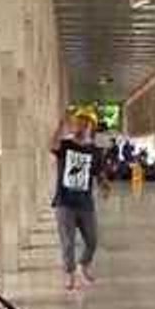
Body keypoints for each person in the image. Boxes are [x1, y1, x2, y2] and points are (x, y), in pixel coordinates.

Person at [49, 106, 110, 291]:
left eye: (85, 123)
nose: (81, 126)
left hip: (85, 203)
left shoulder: (95, 151)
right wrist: (60, 126)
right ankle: (70, 273)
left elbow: (98, 173)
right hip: (64, 202)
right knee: (67, 241)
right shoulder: (66, 146)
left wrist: (104, 184)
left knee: (92, 240)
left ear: (91, 126)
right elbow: (52, 146)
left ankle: (84, 264)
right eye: (78, 122)